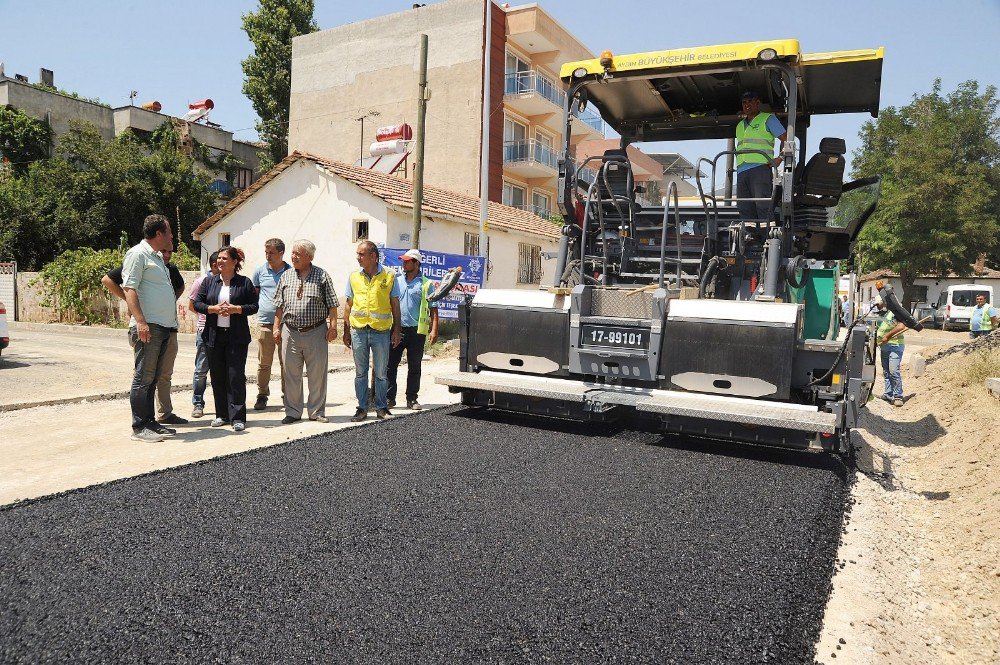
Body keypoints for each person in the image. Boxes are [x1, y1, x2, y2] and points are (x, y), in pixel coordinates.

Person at [102, 247, 186, 425]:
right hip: (148, 328)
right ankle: (142, 423)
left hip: (168, 329)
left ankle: (162, 414)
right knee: (144, 377)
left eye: (170, 251)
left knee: (161, 375)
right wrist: (134, 305)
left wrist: (167, 303)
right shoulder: (141, 260)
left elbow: (181, 286)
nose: (167, 254)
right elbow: (108, 280)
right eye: (163, 250)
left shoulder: (169, 269)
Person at [119, 214, 180, 442]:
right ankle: (139, 426)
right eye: (169, 232)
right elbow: (129, 289)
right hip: (149, 327)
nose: (172, 236)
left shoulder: (156, 257)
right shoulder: (137, 254)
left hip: (163, 327)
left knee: (152, 378)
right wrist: (141, 322)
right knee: (143, 378)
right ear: (158, 234)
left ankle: (151, 422)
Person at [271, 240, 340, 424]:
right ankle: (293, 412)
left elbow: (332, 305)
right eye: (292, 253)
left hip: (316, 331)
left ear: (309, 257)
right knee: (291, 374)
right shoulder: (286, 276)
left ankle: (316, 411)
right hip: (290, 332)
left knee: (317, 374)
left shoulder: (322, 276)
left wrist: (333, 327)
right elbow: (279, 306)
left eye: (297, 254)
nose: (293, 257)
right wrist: (276, 327)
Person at [193, 246, 259, 432]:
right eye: (218, 259)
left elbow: (254, 306)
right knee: (218, 377)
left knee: (235, 376)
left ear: (234, 262)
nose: (219, 261)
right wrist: (212, 309)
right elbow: (197, 303)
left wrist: (236, 309)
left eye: (224, 258)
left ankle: (238, 417)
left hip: (236, 337)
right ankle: (221, 415)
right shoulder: (209, 282)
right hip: (213, 336)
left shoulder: (244, 283)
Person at [343, 240, 402, 422]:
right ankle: (361, 408)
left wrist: (396, 330)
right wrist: (345, 331)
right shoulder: (354, 276)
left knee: (381, 373)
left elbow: (395, 306)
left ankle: (381, 407)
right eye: (358, 254)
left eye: (361, 254)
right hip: (358, 331)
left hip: (381, 331)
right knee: (360, 372)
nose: (358, 257)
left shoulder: (389, 276)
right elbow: (348, 305)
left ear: (373, 256)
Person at [386, 249, 439, 410]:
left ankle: (412, 399)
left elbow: (433, 308)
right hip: (396, 330)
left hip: (417, 331)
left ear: (416, 263)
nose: (404, 263)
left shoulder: (426, 284)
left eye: (408, 261)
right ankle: (389, 398)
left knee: (414, 366)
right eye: (403, 260)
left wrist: (434, 329)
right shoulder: (396, 280)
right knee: (390, 365)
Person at [251, 238, 291, 411]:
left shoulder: (291, 272)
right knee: (264, 363)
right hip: (265, 324)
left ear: (281, 253)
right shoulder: (259, 271)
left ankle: (288, 396)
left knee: (287, 363)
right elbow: (255, 294)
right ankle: (262, 395)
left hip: (287, 325)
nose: (268, 256)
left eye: (272, 253)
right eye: (266, 252)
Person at [735, 90, 787, 222]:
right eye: (744, 102)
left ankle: (766, 239)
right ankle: (750, 238)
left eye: (750, 101)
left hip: (760, 168)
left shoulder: (768, 119)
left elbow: (785, 138)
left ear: (757, 103)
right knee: (744, 207)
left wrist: (781, 158)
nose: (747, 105)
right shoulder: (739, 126)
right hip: (741, 171)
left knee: (762, 205)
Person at [187, 251, 220, 418]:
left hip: (222, 331)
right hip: (204, 331)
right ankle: (198, 403)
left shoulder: (227, 282)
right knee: (201, 369)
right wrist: (206, 315)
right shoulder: (201, 282)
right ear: (215, 265)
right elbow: (192, 305)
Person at [875, 300, 908, 407]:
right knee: (886, 371)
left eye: (879, 304)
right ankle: (888, 393)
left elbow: (901, 326)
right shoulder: (884, 314)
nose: (879, 307)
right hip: (884, 346)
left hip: (895, 346)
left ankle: (898, 396)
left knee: (894, 370)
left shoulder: (896, 312)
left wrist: (887, 336)